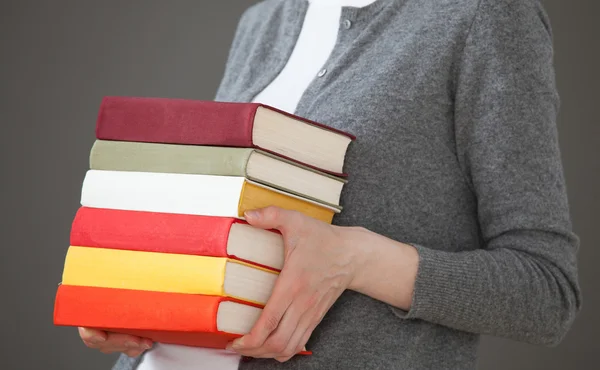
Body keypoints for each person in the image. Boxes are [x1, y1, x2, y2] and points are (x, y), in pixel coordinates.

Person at [79, 0, 582, 369]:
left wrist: (355, 258)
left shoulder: (484, 17)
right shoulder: (261, 22)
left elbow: (546, 292)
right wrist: (139, 296)